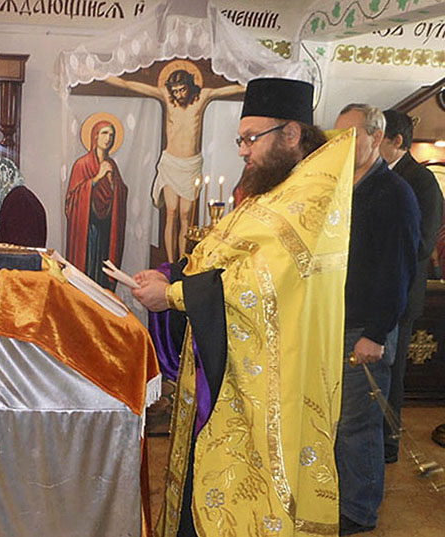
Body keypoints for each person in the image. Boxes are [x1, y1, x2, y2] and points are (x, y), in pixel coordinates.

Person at [132, 77, 349, 537]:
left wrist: (172, 295)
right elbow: (224, 254)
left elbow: (258, 285)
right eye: (240, 140)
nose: (243, 151)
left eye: (251, 138)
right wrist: (173, 274)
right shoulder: (277, 189)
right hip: (231, 374)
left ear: (291, 133)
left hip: (270, 387)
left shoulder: (308, 198)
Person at [333, 103, 420, 535]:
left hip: (365, 330)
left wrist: (374, 334)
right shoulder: (342, 186)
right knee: (339, 423)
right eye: (338, 135)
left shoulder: (394, 193)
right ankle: (340, 498)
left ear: (377, 136)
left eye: (351, 135)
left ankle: (359, 511)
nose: (342, 143)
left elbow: (397, 271)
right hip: (336, 324)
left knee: (359, 426)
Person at [105, 61, 244, 261]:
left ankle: (182, 260)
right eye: (175, 90)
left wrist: (256, 83)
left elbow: (233, 89)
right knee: (171, 212)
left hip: (191, 165)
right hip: (170, 163)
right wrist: (98, 75)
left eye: (182, 89)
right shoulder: (167, 98)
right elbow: (128, 84)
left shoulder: (202, 97)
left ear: (190, 86)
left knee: (185, 215)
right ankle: (171, 262)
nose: (179, 94)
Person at [379, 109, 443, 464]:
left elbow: (422, 242)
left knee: (392, 373)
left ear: (397, 141)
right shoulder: (381, 175)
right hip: (379, 292)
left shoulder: (421, 181)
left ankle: (388, 443)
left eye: (377, 138)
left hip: (401, 293)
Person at [65, 117, 127, 290]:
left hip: (107, 227)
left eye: (112, 135)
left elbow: (121, 192)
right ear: (95, 136)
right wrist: (97, 178)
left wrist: (114, 184)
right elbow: (72, 200)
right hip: (88, 229)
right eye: (104, 133)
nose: (108, 138)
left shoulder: (112, 164)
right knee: (88, 269)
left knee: (103, 274)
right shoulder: (82, 164)